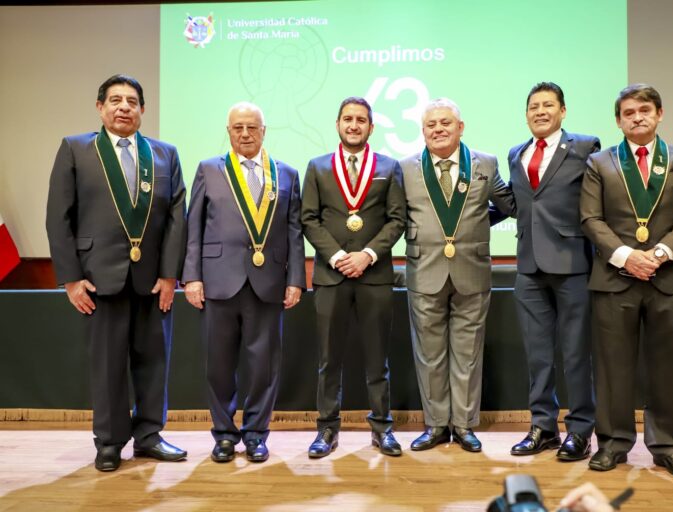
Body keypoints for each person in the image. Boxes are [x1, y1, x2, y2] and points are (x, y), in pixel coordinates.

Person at [45, 74, 187, 472]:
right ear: (100, 107)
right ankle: (109, 442)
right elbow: (59, 218)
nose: (124, 107)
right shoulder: (76, 149)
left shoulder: (164, 155)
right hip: (97, 279)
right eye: (115, 100)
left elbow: (178, 218)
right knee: (107, 365)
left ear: (143, 109)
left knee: (153, 361)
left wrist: (170, 275)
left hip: (153, 281)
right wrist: (71, 279)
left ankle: (149, 436)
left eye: (132, 101)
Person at [580, 84, 673, 478]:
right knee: (612, 368)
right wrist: (626, 256)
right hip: (614, 278)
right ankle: (614, 444)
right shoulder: (600, 163)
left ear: (659, 113)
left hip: (670, 277)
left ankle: (668, 446)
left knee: (671, 369)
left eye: (644, 110)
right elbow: (590, 218)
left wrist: (657, 254)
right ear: (617, 120)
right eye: (628, 112)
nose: (636, 117)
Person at [182, 102, 305, 463]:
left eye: (252, 127)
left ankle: (255, 434)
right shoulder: (209, 169)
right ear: (229, 131)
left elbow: (294, 231)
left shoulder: (286, 174)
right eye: (238, 128)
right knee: (218, 365)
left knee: (264, 366)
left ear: (264, 130)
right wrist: (192, 276)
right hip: (219, 282)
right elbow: (194, 228)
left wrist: (296, 278)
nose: (245, 134)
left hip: (268, 283)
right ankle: (223, 435)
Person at [400, 98, 515, 452]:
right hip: (424, 271)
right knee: (429, 354)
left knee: (467, 353)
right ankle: (435, 426)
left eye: (445, 123)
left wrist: (479, 223)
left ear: (460, 127)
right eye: (431, 124)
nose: (438, 129)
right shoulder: (404, 169)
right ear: (423, 131)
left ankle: (464, 426)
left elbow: (508, 205)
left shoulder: (485, 164)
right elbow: (394, 214)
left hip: (472, 270)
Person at [301, 97, 406, 458]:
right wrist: (339, 256)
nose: (354, 125)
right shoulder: (317, 167)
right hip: (332, 276)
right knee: (330, 359)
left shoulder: (389, 167)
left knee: (378, 358)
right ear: (338, 124)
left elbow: (397, 220)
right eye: (348, 118)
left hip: (374, 276)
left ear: (371, 127)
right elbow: (308, 219)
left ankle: (382, 428)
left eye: (361, 119)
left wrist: (368, 255)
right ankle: (327, 430)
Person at [505, 82, 600, 461]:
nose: (540, 111)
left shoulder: (584, 146)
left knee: (576, 353)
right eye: (533, 106)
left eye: (548, 105)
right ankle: (543, 427)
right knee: (538, 354)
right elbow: (516, 203)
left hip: (573, 262)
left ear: (563, 111)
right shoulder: (516, 153)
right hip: (528, 266)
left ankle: (580, 431)